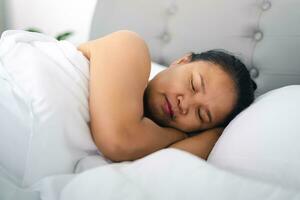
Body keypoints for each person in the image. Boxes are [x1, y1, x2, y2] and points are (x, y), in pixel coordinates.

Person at [78, 30, 256, 162]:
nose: (184, 104)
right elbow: (118, 142)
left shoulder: (147, 147)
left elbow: (156, 172)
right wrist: (178, 136)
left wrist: (212, 136)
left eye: (201, 114)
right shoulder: (130, 47)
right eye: (193, 85)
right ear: (182, 61)